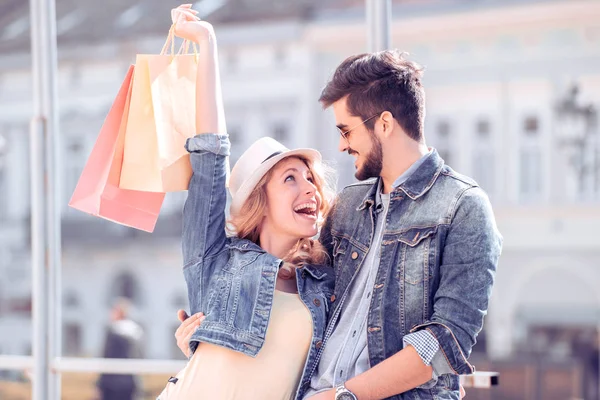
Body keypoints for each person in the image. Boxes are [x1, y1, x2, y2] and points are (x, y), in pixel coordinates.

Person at [157, 5, 335, 399]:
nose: (310, 189)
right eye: (290, 179)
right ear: (260, 200)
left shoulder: (325, 281)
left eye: (311, 179)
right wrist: (207, 43)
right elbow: (210, 158)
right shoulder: (217, 259)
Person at [302, 51, 503, 400]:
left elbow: (444, 343)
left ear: (384, 123)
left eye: (346, 130)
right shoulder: (347, 205)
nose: (341, 145)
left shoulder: (464, 207)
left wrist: (343, 396)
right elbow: (306, 297)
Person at [96, 298, 143, 400]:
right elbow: (140, 356)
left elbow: (106, 357)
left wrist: (99, 384)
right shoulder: (137, 331)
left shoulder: (112, 330)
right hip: (131, 382)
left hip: (111, 384)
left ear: (118, 313)